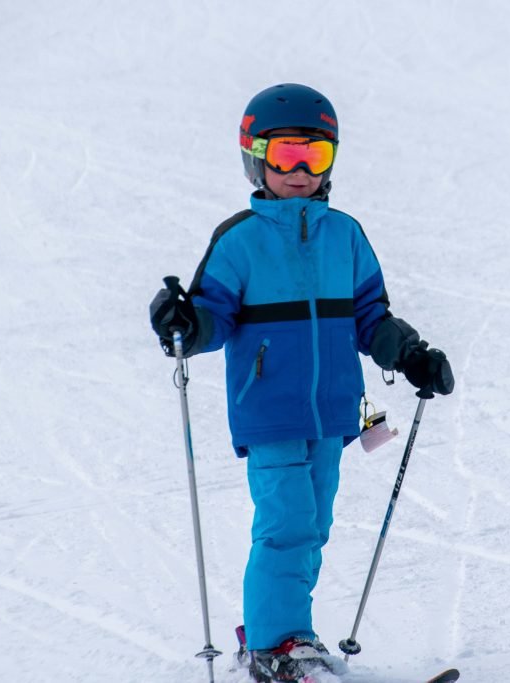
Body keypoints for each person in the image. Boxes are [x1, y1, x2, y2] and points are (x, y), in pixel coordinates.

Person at [149, 83, 453, 682]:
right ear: (255, 158)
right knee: (285, 526)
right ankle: (275, 646)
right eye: (286, 155)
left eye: (314, 158)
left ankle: (288, 635)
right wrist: (183, 321)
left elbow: (371, 317)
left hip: (333, 414)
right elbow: (212, 317)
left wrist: (411, 354)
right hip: (271, 412)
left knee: (311, 526)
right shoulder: (241, 240)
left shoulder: (346, 236)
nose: (299, 171)